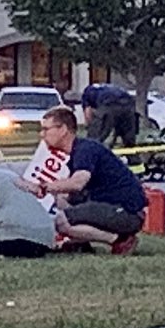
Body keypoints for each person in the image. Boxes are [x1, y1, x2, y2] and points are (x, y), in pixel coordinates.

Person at [39, 105, 147, 255]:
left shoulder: (85, 150)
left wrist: (44, 187)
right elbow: (68, 195)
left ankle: (119, 241)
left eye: (46, 129)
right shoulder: (76, 152)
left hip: (126, 211)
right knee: (62, 204)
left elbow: (77, 183)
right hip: (113, 206)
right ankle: (80, 243)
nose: (41, 134)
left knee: (60, 221)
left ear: (63, 129)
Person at [81, 83, 138, 148]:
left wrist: (88, 125)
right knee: (129, 144)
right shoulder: (108, 87)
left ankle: (89, 154)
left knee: (93, 139)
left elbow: (88, 112)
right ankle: (134, 156)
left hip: (109, 103)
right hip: (128, 104)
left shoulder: (86, 93)